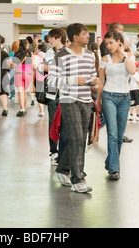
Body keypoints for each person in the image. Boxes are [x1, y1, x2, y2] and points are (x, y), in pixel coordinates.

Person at [50, 23, 99, 193]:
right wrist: (71, 80)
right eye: (85, 34)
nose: (88, 37)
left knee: (79, 139)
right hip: (69, 100)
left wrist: (94, 81)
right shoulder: (61, 56)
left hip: (86, 100)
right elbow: (51, 81)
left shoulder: (90, 55)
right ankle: (77, 179)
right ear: (75, 37)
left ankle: (62, 170)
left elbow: (93, 73)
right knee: (77, 137)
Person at [97, 30, 136, 180]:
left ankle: (110, 161)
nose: (109, 46)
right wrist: (98, 100)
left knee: (119, 136)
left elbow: (132, 71)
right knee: (112, 134)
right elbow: (101, 82)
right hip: (109, 96)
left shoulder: (129, 57)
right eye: (106, 44)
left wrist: (124, 55)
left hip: (125, 99)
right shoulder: (105, 58)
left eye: (111, 43)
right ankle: (114, 169)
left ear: (119, 42)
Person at [42, 28, 67, 165]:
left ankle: (63, 151)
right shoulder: (49, 52)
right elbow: (43, 67)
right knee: (52, 122)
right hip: (52, 90)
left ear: (58, 38)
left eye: (51, 38)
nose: (49, 40)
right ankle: (53, 152)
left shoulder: (68, 52)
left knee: (65, 122)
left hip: (66, 90)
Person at [13, 39, 33, 117]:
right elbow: (32, 64)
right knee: (25, 92)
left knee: (20, 92)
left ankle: (22, 110)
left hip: (19, 73)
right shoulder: (30, 53)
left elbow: (14, 64)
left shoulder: (16, 53)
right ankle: (24, 108)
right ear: (26, 45)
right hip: (28, 74)